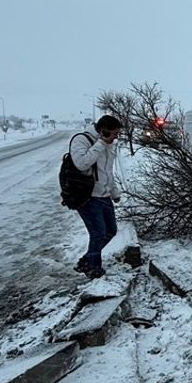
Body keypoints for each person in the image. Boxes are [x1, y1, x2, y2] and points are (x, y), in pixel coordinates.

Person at [70, 114, 123, 279]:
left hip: (104, 194)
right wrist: (100, 143)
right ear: (103, 131)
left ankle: (87, 260)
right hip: (87, 195)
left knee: (111, 231)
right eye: (114, 134)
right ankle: (94, 269)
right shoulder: (82, 140)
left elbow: (107, 171)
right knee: (98, 232)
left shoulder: (108, 145)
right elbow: (81, 163)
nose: (116, 137)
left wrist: (114, 192)